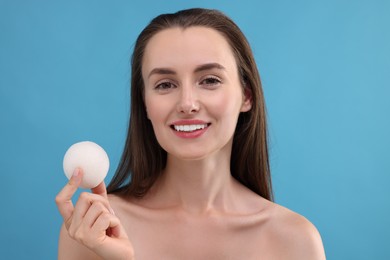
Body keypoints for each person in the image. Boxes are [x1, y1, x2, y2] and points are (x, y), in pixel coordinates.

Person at [56, 8, 326, 259]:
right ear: (145, 104)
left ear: (246, 95)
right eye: (165, 84)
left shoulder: (294, 241)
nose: (187, 103)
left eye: (210, 80)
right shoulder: (95, 227)